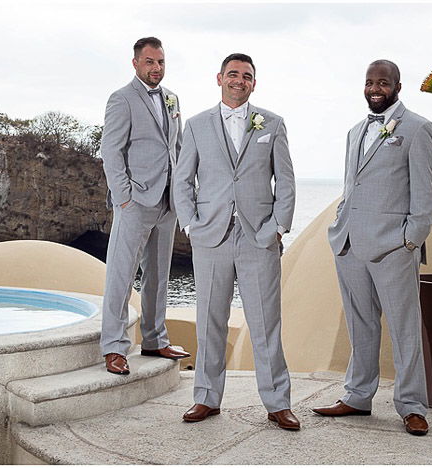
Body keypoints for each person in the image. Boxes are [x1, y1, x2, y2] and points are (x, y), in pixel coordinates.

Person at [312, 60, 432, 436]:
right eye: (369, 82)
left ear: (398, 86)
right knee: (360, 324)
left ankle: (412, 406)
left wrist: (409, 241)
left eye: (382, 82)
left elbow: (427, 195)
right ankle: (358, 396)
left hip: (393, 248)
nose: (374, 88)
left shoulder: (419, 129)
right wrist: (340, 224)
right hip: (349, 244)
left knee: (405, 329)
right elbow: (354, 186)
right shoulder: (355, 131)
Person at [173, 53, 299, 430]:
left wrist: (277, 227)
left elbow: (286, 181)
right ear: (219, 78)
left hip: (258, 236)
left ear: (253, 83)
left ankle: (277, 403)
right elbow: (183, 181)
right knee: (209, 319)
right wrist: (191, 224)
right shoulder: (195, 126)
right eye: (233, 74)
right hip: (210, 235)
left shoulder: (272, 124)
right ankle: (206, 398)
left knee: (265, 322)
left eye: (246, 76)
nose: (239, 80)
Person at [99, 37, 190, 375]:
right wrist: (124, 196)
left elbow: (178, 149)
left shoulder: (172, 99)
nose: (156, 68)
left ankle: (154, 339)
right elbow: (111, 151)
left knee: (158, 276)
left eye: (161, 62)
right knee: (121, 277)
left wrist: (182, 191)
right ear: (136, 63)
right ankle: (114, 347)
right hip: (135, 201)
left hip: (168, 202)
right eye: (150, 62)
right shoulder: (121, 99)